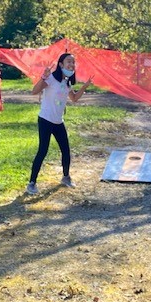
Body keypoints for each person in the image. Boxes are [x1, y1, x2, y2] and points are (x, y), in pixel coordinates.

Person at [26, 53, 92, 195]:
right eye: (69, 61)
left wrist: (84, 86)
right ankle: (32, 183)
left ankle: (66, 177)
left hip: (58, 121)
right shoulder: (51, 78)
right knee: (43, 151)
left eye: (73, 62)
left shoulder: (67, 82)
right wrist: (43, 77)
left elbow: (74, 98)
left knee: (66, 150)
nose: (72, 65)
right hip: (45, 120)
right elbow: (34, 91)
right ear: (61, 64)